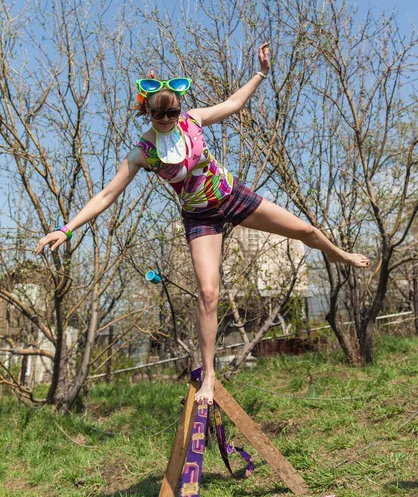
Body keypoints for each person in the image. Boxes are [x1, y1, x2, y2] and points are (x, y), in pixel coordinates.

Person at [36, 42, 370, 405]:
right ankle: (209, 375)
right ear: (146, 111)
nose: (167, 120)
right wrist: (67, 228)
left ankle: (339, 254)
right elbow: (106, 195)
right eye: (159, 115)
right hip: (200, 217)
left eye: (172, 113)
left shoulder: (192, 120)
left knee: (305, 231)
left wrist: (261, 73)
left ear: (179, 108)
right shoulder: (143, 152)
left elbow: (232, 105)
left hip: (232, 196)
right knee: (208, 293)